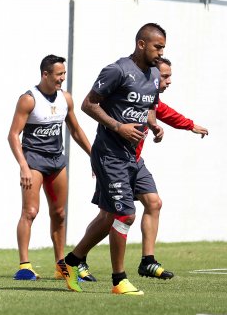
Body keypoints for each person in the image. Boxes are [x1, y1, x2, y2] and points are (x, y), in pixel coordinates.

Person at [76, 57, 209, 281]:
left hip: (133, 160)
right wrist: (100, 159)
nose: (167, 81)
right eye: (165, 76)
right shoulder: (122, 75)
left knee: (153, 202)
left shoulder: (148, 93)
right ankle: (80, 260)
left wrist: (161, 124)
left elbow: (154, 109)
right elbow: (93, 105)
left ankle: (147, 261)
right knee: (110, 216)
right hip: (112, 158)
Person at [61, 23, 166, 295]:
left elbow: (147, 108)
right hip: (110, 153)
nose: (161, 52)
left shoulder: (154, 74)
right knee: (125, 214)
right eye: (157, 46)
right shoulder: (117, 70)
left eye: (163, 47)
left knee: (120, 212)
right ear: (141, 44)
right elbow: (88, 104)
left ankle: (72, 262)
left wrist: (153, 125)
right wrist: (117, 126)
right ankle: (119, 280)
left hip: (133, 156)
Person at [7, 55, 91, 280]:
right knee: (30, 212)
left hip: (56, 161)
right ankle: (25, 265)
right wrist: (23, 166)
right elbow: (13, 135)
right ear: (45, 74)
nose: (62, 78)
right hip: (34, 161)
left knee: (60, 213)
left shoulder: (66, 99)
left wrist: (93, 155)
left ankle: (60, 265)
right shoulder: (28, 99)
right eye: (58, 74)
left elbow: (75, 130)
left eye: (64, 74)